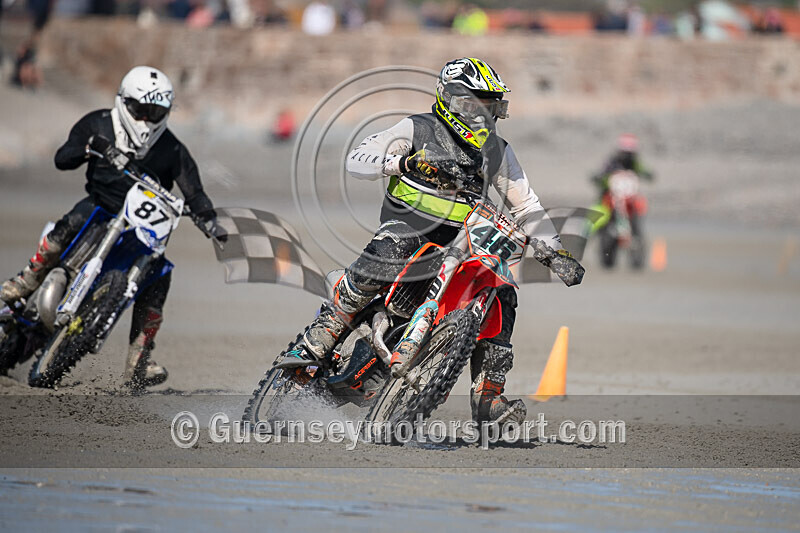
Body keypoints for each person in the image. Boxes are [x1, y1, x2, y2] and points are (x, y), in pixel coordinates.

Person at [297, 58, 584, 425]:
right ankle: (326, 331)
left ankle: (488, 395)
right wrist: (402, 164)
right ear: (450, 100)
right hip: (408, 225)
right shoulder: (416, 128)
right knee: (390, 250)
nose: (483, 116)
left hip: (464, 238)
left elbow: (526, 205)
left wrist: (556, 252)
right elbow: (358, 159)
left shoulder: (497, 150)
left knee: (502, 291)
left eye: (491, 107)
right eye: (474, 105)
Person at [0, 66, 226, 389]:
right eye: (141, 110)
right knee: (73, 222)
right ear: (124, 102)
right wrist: (90, 146)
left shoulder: (172, 148)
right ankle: (27, 280)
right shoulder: (98, 124)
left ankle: (139, 360)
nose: (147, 120)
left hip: (139, 228)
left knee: (161, 273)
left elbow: (195, 192)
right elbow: (62, 159)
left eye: (155, 112)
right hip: (100, 207)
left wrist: (209, 219)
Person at [591, 133, 654, 200]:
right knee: (599, 204)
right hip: (611, 194)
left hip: (630, 195)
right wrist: (601, 178)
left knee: (640, 202)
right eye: (625, 153)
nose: (627, 156)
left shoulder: (635, 163)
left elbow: (642, 169)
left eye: (630, 154)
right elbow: (602, 172)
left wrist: (647, 174)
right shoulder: (612, 162)